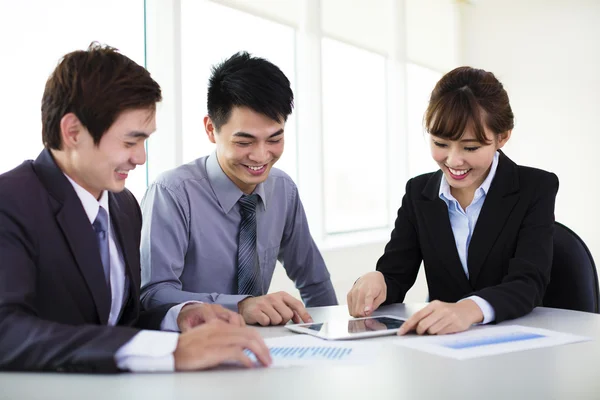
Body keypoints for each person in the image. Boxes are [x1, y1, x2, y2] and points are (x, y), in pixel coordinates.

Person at [0, 43, 271, 373]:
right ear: (72, 132)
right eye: (130, 142)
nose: (140, 158)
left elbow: (118, 322)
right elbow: (7, 332)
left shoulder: (124, 206)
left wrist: (180, 315)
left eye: (145, 142)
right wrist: (168, 352)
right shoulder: (11, 201)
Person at [347, 66, 559, 335]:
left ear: (502, 136)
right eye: (440, 143)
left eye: (470, 147)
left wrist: (469, 309)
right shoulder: (418, 192)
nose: (454, 161)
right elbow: (395, 275)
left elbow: (528, 282)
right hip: (444, 346)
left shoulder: (535, 187)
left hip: (517, 341)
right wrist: (376, 281)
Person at [140, 51, 337, 326]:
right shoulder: (172, 193)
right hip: (191, 350)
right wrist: (239, 306)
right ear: (211, 129)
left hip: (264, 348)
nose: (260, 156)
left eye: (274, 139)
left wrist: (336, 337)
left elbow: (315, 282)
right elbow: (154, 295)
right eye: (244, 142)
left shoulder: (283, 190)